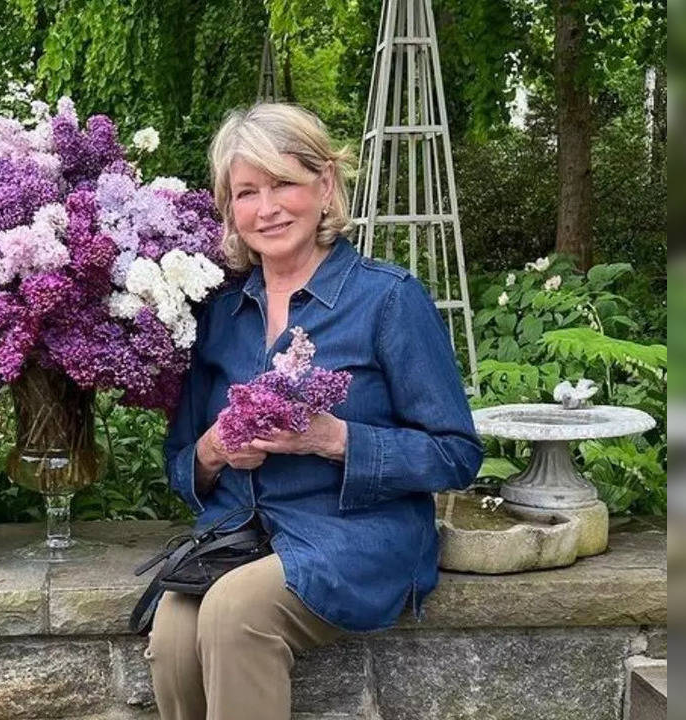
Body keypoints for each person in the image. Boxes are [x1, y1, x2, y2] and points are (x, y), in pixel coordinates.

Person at [145, 102, 483, 720]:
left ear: (325, 186)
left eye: (284, 184)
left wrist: (335, 439)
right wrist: (213, 450)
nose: (266, 208)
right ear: (229, 209)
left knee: (235, 614)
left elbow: (457, 454)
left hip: (357, 535)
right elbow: (179, 464)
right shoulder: (218, 314)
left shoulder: (388, 299)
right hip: (239, 536)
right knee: (171, 634)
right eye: (247, 192)